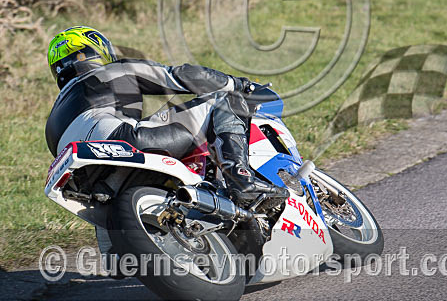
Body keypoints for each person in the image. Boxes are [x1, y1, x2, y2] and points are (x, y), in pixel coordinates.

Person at [44, 25, 285, 206]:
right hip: (124, 141)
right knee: (226, 101)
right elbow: (180, 76)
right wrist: (240, 85)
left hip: (89, 179)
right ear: (97, 50)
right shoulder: (110, 71)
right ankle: (241, 180)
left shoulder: (53, 119)